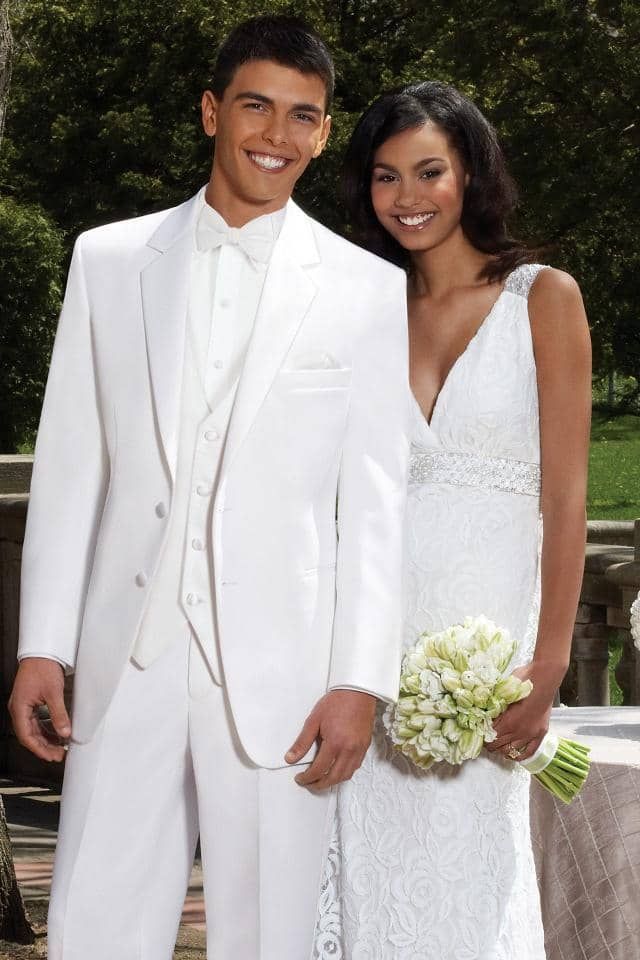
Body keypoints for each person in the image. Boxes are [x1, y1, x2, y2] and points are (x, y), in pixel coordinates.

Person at [8, 16, 411, 960]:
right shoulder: (107, 261)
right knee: (97, 921)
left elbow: (378, 505)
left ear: (321, 133)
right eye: (255, 107)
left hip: (286, 670)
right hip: (126, 656)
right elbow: (73, 470)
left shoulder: (364, 289)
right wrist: (43, 647)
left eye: (301, 117)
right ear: (210, 111)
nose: (276, 135)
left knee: (271, 930)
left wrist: (360, 678)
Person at [313, 82, 591, 959]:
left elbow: (568, 498)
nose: (409, 197)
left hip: (489, 664)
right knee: (363, 888)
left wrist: (547, 664)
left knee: (475, 889)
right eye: (387, 177)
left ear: (469, 170)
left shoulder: (543, 298)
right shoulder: (361, 312)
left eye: (429, 170)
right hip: (370, 657)